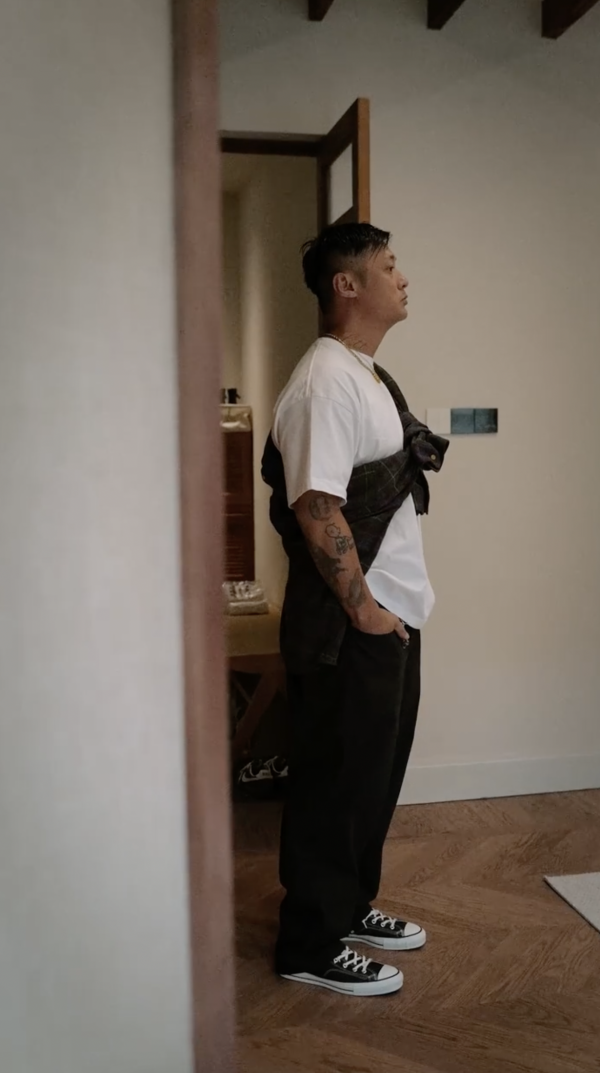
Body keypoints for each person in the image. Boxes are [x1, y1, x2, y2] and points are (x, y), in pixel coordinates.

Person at [261, 223, 449, 998]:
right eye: (388, 266)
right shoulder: (323, 382)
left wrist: (389, 614)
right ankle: (309, 940)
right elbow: (316, 506)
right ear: (347, 285)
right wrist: (366, 611)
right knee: (336, 784)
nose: (402, 278)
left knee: (370, 779)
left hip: (389, 615)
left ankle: (346, 907)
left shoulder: (366, 374)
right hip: (351, 626)